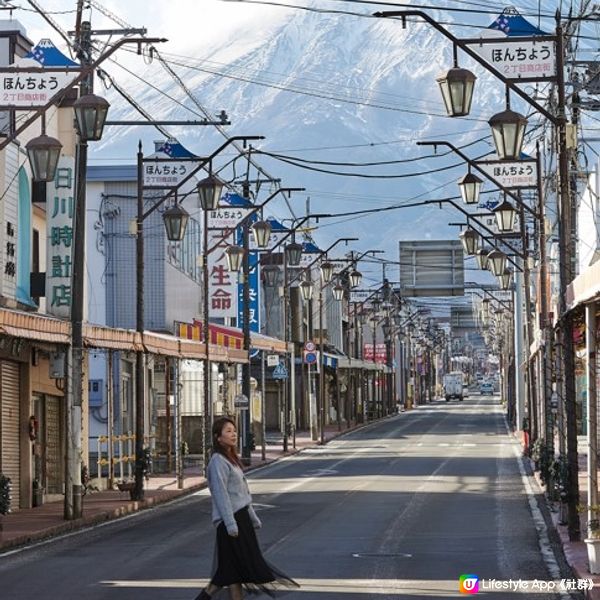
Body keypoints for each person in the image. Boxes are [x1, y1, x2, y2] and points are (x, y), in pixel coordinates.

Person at [195, 416, 299, 600]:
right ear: (218, 437)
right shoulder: (218, 462)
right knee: (230, 571)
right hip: (231, 523)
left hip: (240, 520)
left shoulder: (231, 459)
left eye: (234, 430)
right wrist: (230, 524)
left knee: (234, 572)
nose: (233, 434)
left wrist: (252, 518)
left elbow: (243, 494)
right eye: (228, 431)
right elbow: (221, 495)